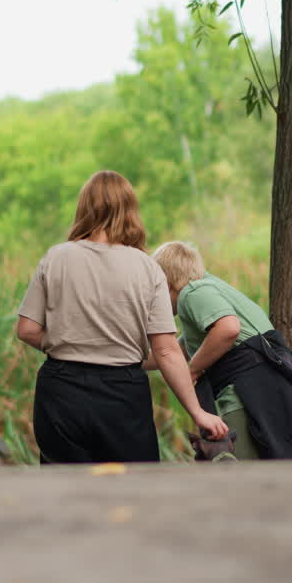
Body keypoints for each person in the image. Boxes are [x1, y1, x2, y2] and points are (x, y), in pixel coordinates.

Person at [15, 171, 227, 464]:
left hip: (61, 391)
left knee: (65, 491)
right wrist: (198, 412)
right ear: (130, 210)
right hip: (122, 394)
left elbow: (26, 329)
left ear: (84, 208)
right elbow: (166, 350)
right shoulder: (147, 267)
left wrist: (68, 344)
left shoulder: (56, 257)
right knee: (132, 490)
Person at [150, 241, 292, 460]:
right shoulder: (210, 288)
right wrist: (129, 359)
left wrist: (191, 372)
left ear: (164, 283)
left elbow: (228, 329)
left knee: (237, 472)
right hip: (271, 390)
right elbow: (172, 350)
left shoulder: (191, 294)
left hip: (246, 395)